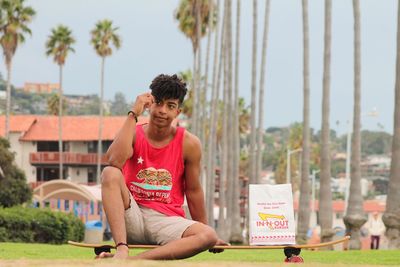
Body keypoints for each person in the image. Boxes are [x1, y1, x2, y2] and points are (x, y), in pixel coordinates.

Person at [99, 74, 227, 260]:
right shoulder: (133, 133)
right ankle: (121, 249)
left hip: (166, 221)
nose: (162, 110)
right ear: (149, 103)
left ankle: (133, 262)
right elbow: (114, 162)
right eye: (158, 103)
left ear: (178, 112)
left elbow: (193, 191)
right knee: (110, 173)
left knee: (208, 235)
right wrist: (133, 113)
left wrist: (206, 234)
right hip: (131, 216)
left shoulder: (189, 143)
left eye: (170, 106)